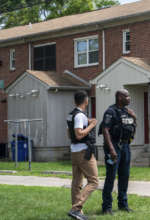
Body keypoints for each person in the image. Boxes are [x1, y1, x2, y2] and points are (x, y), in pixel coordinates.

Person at [101, 89, 137, 215]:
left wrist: (134, 117)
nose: (129, 98)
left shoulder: (128, 112)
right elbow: (105, 130)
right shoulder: (110, 111)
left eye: (129, 95)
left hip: (126, 146)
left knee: (124, 176)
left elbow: (132, 129)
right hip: (114, 146)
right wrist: (111, 149)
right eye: (126, 96)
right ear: (119, 97)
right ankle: (106, 207)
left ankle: (123, 204)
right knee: (111, 177)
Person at [66, 90, 99, 220]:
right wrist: (91, 125)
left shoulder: (70, 115)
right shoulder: (80, 116)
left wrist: (87, 123)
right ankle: (75, 209)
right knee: (94, 181)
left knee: (77, 183)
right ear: (86, 101)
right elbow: (79, 134)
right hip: (83, 152)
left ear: (75, 101)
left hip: (74, 151)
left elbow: (70, 134)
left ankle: (78, 213)